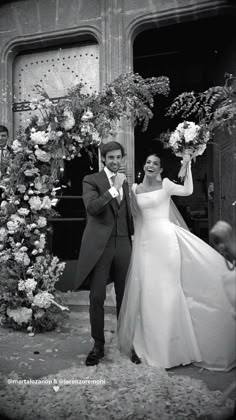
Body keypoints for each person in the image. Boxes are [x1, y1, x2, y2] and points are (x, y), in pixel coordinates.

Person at [117, 153, 236, 371]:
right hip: (145, 246)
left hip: (166, 243)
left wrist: (187, 165)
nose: (151, 165)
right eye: (148, 162)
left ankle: (176, 349)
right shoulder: (134, 189)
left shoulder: (167, 184)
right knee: (149, 293)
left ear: (161, 169)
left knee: (169, 291)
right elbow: (134, 218)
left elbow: (188, 190)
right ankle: (152, 348)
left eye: (156, 163)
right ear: (144, 166)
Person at [74, 141, 133, 366]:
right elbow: (92, 207)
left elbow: (128, 213)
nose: (115, 161)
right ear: (103, 159)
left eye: (119, 157)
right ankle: (98, 345)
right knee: (97, 296)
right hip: (101, 246)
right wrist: (113, 188)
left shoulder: (125, 182)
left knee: (125, 296)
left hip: (124, 243)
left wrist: (133, 237)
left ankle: (126, 341)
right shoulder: (91, 180)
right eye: (111, 158)